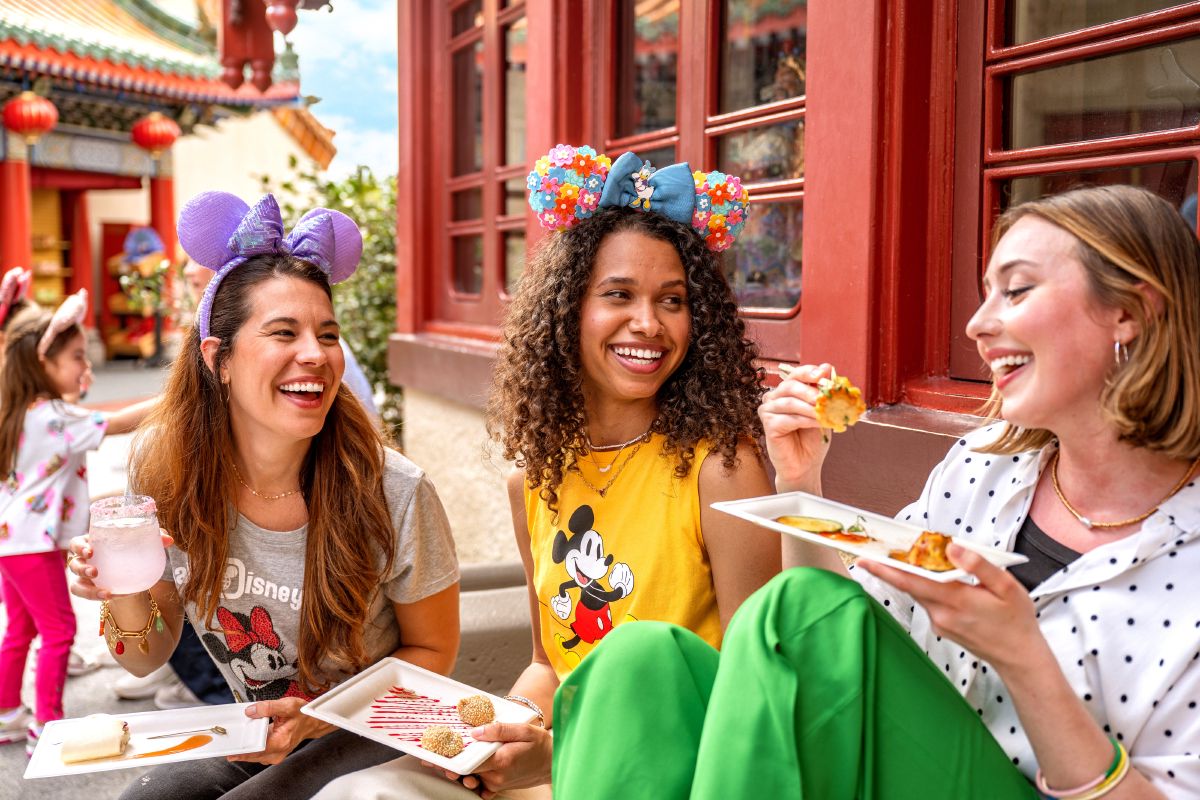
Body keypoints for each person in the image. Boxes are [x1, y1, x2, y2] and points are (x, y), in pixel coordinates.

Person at [546, 184, 1200, 799]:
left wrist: (1023, 658)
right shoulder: (983, 469)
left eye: (1017, 291)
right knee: (642, 658)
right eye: (985, 294)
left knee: (791, 605)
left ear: (1129, 312)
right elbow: (834, 639)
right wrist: (801, 482)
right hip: (904, 769)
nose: (976, 324)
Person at [315, 145, 781, 799]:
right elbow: (548, 664)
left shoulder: (721, 468)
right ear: (566, 313)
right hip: (558, 766)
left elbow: (751, 694)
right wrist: (504, 735)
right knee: (358, 793)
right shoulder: (535, 480)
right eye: (618, 294)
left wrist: (557, 760)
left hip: (669, 775)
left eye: (672, 300)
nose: (648, 323)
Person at [66, 191, 461, 799]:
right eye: (284, 333)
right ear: (217, 358)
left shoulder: (394, 490)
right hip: (257, 737)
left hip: (374, 738)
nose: (316, 354)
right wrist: (122, 590)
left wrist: (319, 714)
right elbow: (144, 659)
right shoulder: (165, 469)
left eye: (327, 335)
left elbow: (435, 652)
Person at [0, 292, 156, 755]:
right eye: (76, 358)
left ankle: (8, 712)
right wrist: (177, 398)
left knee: (21, 629)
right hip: (36, 545)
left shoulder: (19, 412)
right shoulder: (53, 417)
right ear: (41, 362)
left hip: (11, 542)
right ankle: (47, 723)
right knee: (60, 629)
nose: (83, 366)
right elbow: (117, 421)